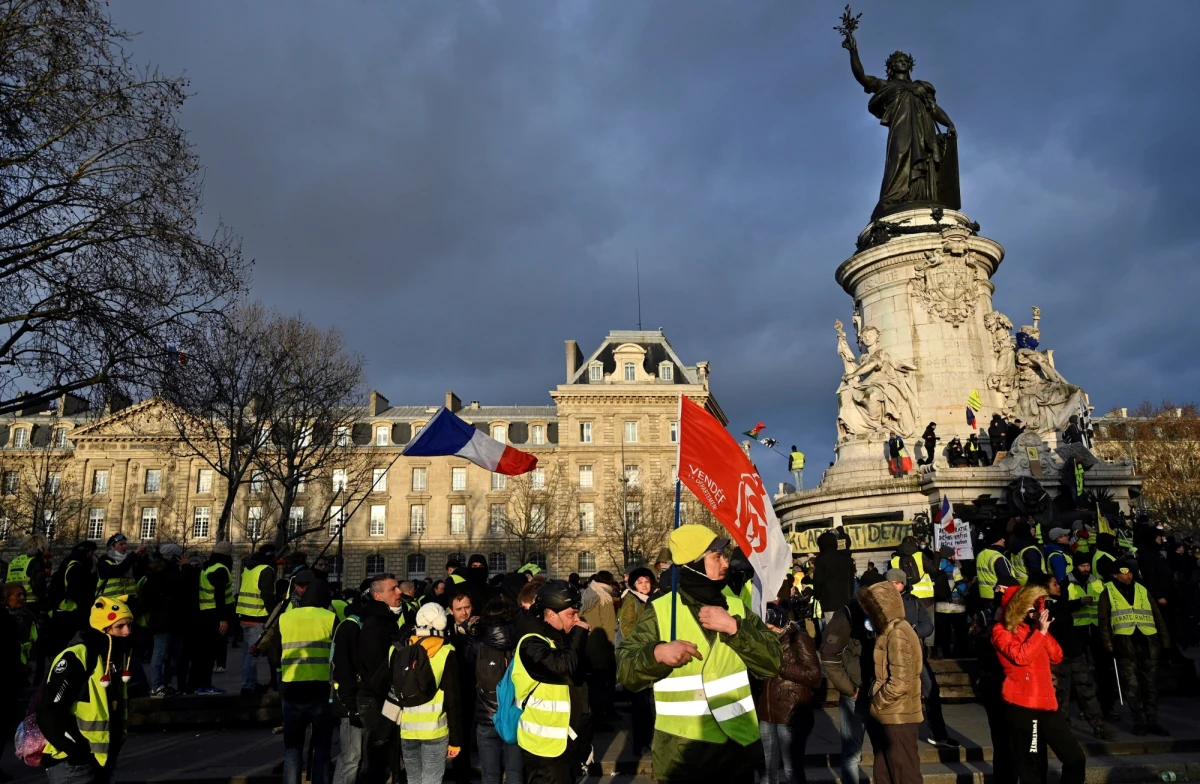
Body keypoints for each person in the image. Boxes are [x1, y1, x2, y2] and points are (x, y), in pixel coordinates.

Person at [616, 525, 782, 783]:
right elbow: (626, 671)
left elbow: (773, 663)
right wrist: (657, 653)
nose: (726, 562)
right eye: (717, 556)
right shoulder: (660, 610)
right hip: (682, 757)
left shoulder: (737, 606)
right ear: (694, 565)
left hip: (736, 753)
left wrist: (735, 629)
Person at [991, 584, 1086, 784]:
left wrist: (1040, 630)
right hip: (1022, 705)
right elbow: (1021, 656)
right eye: (1030, 607)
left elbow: (1057, 655)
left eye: (1036, 607)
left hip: (1046, 703)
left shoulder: (1035, 630)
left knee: (1075, 758)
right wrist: (1040, 633)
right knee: (1031, 768)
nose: (1034, 611)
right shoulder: (1001, 631)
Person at [39, 595, 136, 784]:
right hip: (74, 764)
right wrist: (77, 751)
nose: (127, 632)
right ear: (103, 627)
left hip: (103, 758)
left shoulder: (116, 656)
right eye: (120, 626)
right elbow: (49, 712)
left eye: (129, 625)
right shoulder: (77, 656)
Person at [513, 580, 592, 784]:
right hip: (544, 750)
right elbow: (564, 668)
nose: (577, 619)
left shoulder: (560, 640)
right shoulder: (531, 643)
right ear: (550, 614)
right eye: (570, 615)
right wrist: (579, 635)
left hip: (565, 746)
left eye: (577, 613)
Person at [260, 578, 336, 784]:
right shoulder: (329, 617)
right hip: (320, 690)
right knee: (321, 748)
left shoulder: (286, 618)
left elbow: (273, 656)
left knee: (292, 750)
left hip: (291, 689)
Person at [820, 570, 881, 784]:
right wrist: (848, 688)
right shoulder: (846, 613)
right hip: (856, 693)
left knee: (883, 750)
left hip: (880, 693)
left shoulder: (883, 611)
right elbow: (828, 654)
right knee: (852, 754)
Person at [859, 580, 923, 784]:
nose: (868, 615)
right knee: (885, 771)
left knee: (904, 773)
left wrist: (877, 704)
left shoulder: (897, 633)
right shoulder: (889, 631)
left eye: (872, 609)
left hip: (898, 716)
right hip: (890, 715)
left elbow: (900, 682)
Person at [885, 569, 956, 750]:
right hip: (890, 657)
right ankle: (893, 736)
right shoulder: (880, 603)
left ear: (903, 584)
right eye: (890, 582)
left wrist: (913, 632)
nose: (894, 586)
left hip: (916, 656)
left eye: (897, 582)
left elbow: (928, 625)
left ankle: (938, 734)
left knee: (931, 690)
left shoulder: (914, 602)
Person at [1097, 559, 1170, 736]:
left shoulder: (1142, 589)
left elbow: (1157, 616)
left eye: (1130, 572)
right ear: (1115, 575)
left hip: (1148, 641)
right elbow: (1104, 622)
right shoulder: (1108, 592)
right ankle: (1140, 721)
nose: (1128, 576)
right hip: (1124, 645)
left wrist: (1165, 642)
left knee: (1150, 685)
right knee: (1132, 685)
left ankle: (1152, 720)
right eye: (1124, 573)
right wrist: (1108, 646)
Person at [1035, 575, 1113, 740]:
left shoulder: (1059, 603)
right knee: (1061, 695)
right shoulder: (1042, 608)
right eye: (1054, 584)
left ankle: (1098, 725)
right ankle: (1061, 730)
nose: (1058, 587)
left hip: (1074, 653)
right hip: (1058, 657)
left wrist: (1079, 602)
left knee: (1087, 691)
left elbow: (1066, 606)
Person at [757, 591, 821, 784]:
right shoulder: (765, 641)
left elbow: (813, 674)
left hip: (789, 712)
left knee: (791, 770)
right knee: (766, 771)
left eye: (767, 625)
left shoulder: (798, 638)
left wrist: (780, 666)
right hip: (767, 712)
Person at [396, 602, 463, 784]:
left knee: (413, 779)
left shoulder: (400, 649)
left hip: (406, 730)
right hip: (435, 730)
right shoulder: (447, 652)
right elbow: (453, 700)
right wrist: (456, 740)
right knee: (432, 780)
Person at [474, 596, 523, 784]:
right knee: (515, 772)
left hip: (486, 715)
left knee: (490, 775)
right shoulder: (520, 643)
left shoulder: (478, 644)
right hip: (513, 715)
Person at [618, 567, 656, 756]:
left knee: (649, 705)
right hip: (640, 658)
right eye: (640, 582)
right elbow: (626, 629)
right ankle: (640, 745)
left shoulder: (652, 600)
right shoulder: (631, 601)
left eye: (646, 582)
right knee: (641, 706)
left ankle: (648, 742)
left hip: (651, 658)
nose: (644, 585)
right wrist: (645, 643)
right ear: (634, 584)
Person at [188, 541, 234, 695]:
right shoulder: (221, 569)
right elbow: (219, 595)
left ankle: (196, 685)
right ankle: (205, 685)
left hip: (204, 613)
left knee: (202, 652)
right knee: (210, 653)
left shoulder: (208, 566)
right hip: (214, 615)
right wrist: (223, 618)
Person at [141, 544, 186, 698]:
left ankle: (164, 684)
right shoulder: (159, 572)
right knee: (161, 655)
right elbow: (177, 587)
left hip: (172, 619)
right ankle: (157, 685)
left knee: (172, 656)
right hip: (164, 620)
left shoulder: (163, 571)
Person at [235, 545, 278, 696]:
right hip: (258, 615)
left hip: (244, 614)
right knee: (253, 653)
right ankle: (248, 685)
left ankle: (249, 682)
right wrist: (273, 614)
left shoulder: (249, 567)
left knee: (247, 653)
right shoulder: (266, 570)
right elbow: (267, 595)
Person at [46, 542, 99, 656]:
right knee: (68, 646)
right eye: (91, 552)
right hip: (70, 613)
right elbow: (77, 591)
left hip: (62, 612)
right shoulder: (76, 567)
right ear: (88, 553)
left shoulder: (68, 564)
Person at [447, 590, 478, 784]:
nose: (464, 613)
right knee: (457, 734)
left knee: (468, 734)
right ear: (451, 611)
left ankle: (465, 770)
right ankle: (460, 772)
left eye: (467, 607)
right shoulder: (445, 630)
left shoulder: (479, 628)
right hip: (453, 690)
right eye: (459, 609)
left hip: (474, 688)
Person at [582, 571, 618, 727]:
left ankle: (594, 715)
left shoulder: (588, 594)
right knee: (601, 686)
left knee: (592, 686)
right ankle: (600, 718)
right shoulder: (605, 598)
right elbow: (609, 627)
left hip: (587, 646)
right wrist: (612, 650)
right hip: (601, 649)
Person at [812, 530, 855, 625]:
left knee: (831, 630)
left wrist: (817, 595)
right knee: (845, 628)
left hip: (828, 600)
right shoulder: (846, 559)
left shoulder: (821, 559)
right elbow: (851, 581)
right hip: (844, 600)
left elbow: (818, 581)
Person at [932, 547, 967, 659]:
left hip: (939, 605)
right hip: (956, 606)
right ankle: (958, 653)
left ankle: (943, 653)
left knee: (943, 631)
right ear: (950, 556)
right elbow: (961, 586)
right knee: (958, 630)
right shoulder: (953, 569)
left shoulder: (933, 569)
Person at [94, 534, 147, 599]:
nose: (124, 546)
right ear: (112, 547)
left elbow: (139, 575)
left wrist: (143, 558)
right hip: (109, 601)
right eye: (121, 544)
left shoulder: (129, 560)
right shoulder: (104, 560)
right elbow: (117, 571)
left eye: (125, 544)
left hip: (129, 600)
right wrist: (134, 555)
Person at [976, 526, 1017, 607]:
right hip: (997, 596)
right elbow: (1007, 578)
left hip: (984, 595)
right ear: (996, 540)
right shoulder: (998, 557)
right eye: (1002, 538)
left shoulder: (980, 554)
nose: (1004, 540)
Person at [6, 536, 49, 612]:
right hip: (31, 603)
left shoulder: (14, 561)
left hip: (12, 602)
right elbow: (38, 585)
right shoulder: (36, 561)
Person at [6, 582, 38, 674]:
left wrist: (31, 659)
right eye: (18, 595)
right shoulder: (5, 618)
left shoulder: (29, 617)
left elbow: (33, 641)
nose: (22, 598)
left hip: (24, 665)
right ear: (7, 598)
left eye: (23, 594)